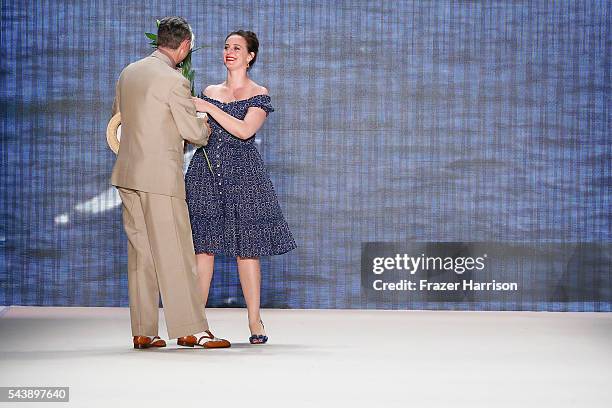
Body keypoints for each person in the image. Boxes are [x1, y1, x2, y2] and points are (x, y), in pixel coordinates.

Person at [111, 16, 230, 349]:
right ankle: (191, 328)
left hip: (127, 174)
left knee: (142, 256)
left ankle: (143, 331)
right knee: (175, 253)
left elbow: (119, 121)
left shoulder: (128, 72)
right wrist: (204, 125)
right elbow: (192, 132)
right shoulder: (174, 80)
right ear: (185, 46)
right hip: (159, 177)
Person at [186, 30, 296, 344]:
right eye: (226, 47)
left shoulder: (258, 92)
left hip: (244, 176)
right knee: (202, 249)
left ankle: (254, 320)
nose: (230, 52)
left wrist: (208, 108)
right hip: (205, 172)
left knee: (248, 250)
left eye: (237, 48)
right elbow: (201, 133)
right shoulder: (209, 90)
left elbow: (245, 131)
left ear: (250, 56)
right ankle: (196, 323)